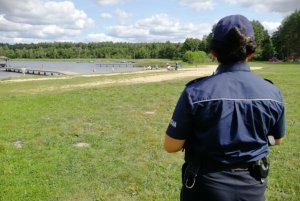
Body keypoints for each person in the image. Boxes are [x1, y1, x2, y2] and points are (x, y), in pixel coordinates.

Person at [164, 15, 285, 201]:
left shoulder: (195, 92)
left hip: (204, 187)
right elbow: (277, 139)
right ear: (251, 52)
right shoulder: (272, 92)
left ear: (213, 52)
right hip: (252, 187)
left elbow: (171, 146)